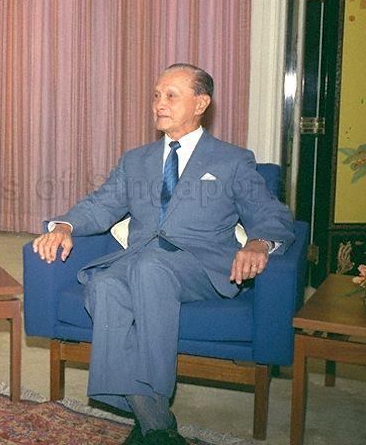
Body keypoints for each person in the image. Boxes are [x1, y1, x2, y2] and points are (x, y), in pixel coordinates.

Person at [32, 63, 295, 445]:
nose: (159, 103)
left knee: (150, 268)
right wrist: (65, 225)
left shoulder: (232, 160)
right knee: (104, 285)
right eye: (156, 95)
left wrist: (259, 243)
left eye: (171, 95)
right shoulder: (135, 160)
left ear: (200, 103)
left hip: (200, 267)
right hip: (139, 260)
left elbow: (271, 214)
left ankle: (150, 420)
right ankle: (155, 423)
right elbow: (101, 205)